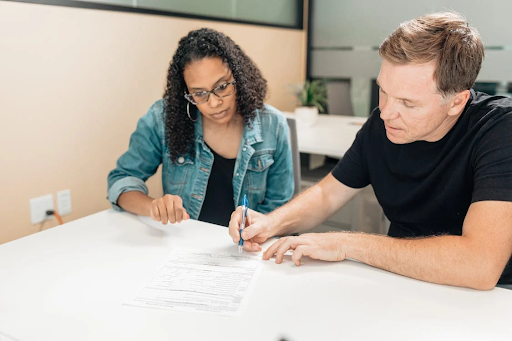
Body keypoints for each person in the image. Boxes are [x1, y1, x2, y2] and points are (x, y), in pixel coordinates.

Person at [229, 12, 512, 290]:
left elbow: (480, 266)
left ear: (456, 102)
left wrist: (344, 243)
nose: (387, 113)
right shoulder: (383, 123)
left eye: (408, 103)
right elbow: (328, 194)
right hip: (399, 279)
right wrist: (270, 222)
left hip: (488, 299)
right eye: (383, 91)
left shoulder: (500, 130)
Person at [107, 28, 294, 227]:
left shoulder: (272, 124)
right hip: (184, 247)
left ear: (239, 78)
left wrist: (255, 230)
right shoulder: (163, 118)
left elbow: (280, 209)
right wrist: (153, 206)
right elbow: (122, 179)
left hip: (246, 248)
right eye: (199, 93)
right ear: (185, 93)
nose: (214, 103)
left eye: (222, 87)